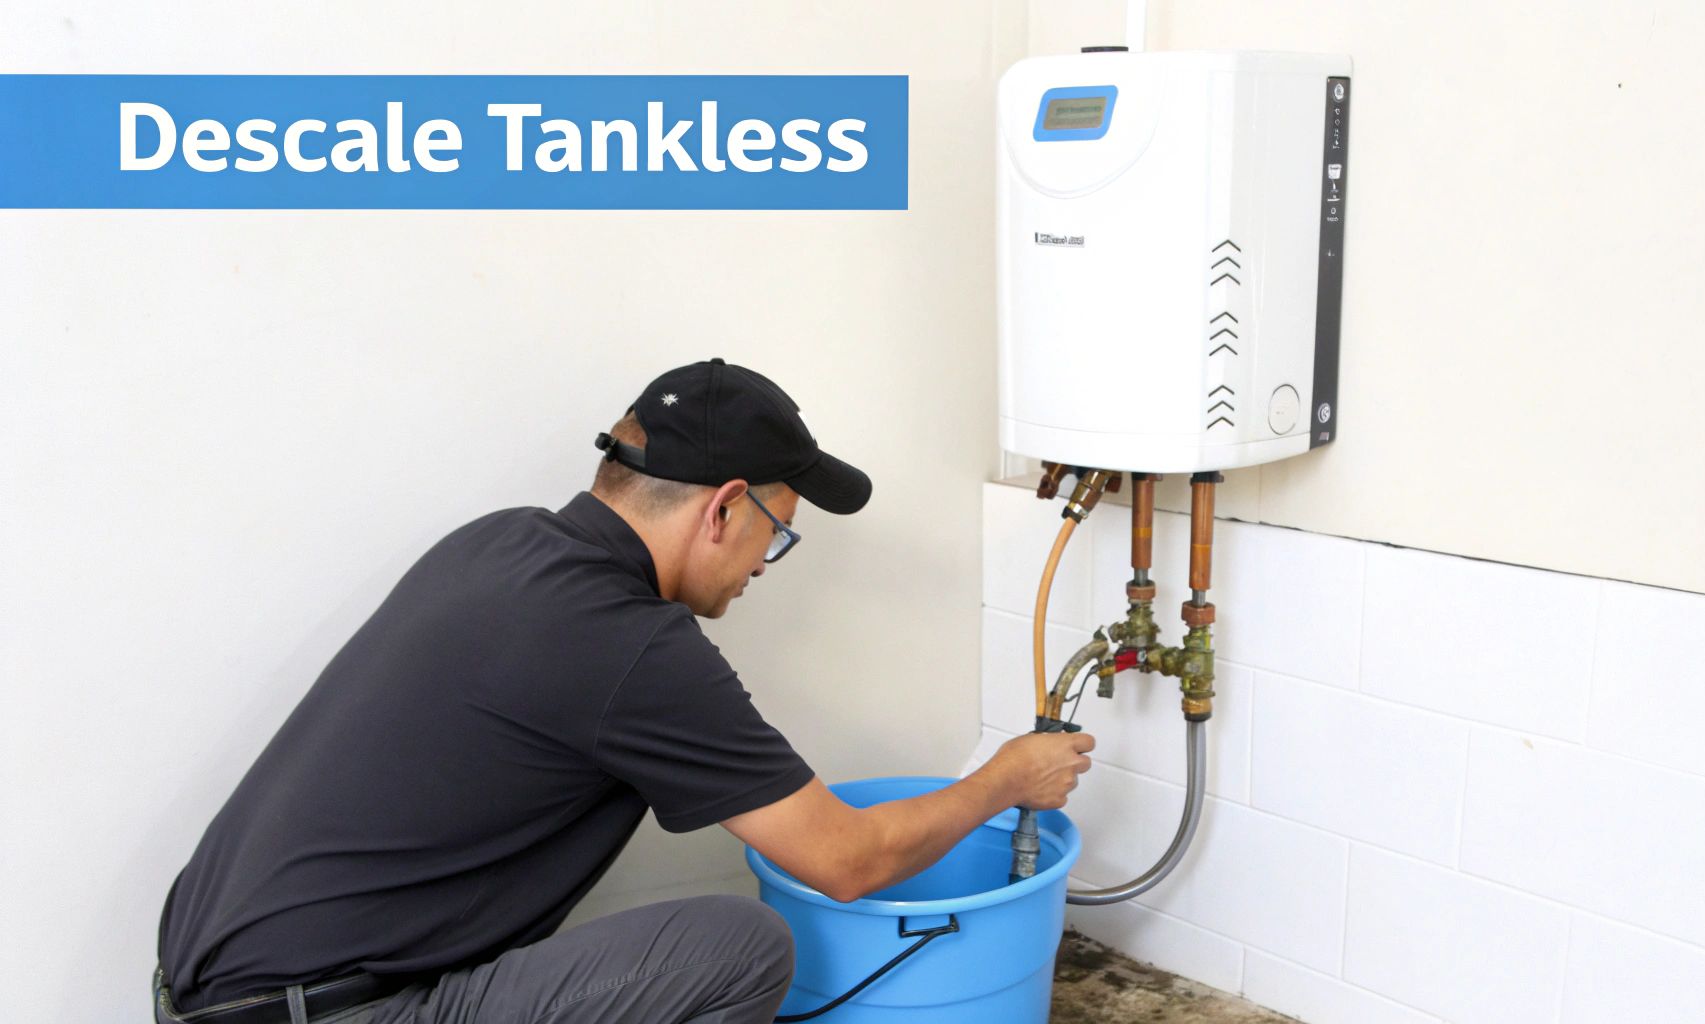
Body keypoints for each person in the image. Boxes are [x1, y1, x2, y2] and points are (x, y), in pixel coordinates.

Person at [154, 358, 1095, 1024]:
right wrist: (1005, 780)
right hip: (328, 1014)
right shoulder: (632, 645)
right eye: (779, 531)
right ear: (725, 507)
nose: (768, 563)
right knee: (741, 948)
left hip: (205, 991)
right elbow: (841, 861)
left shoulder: (502, 540)